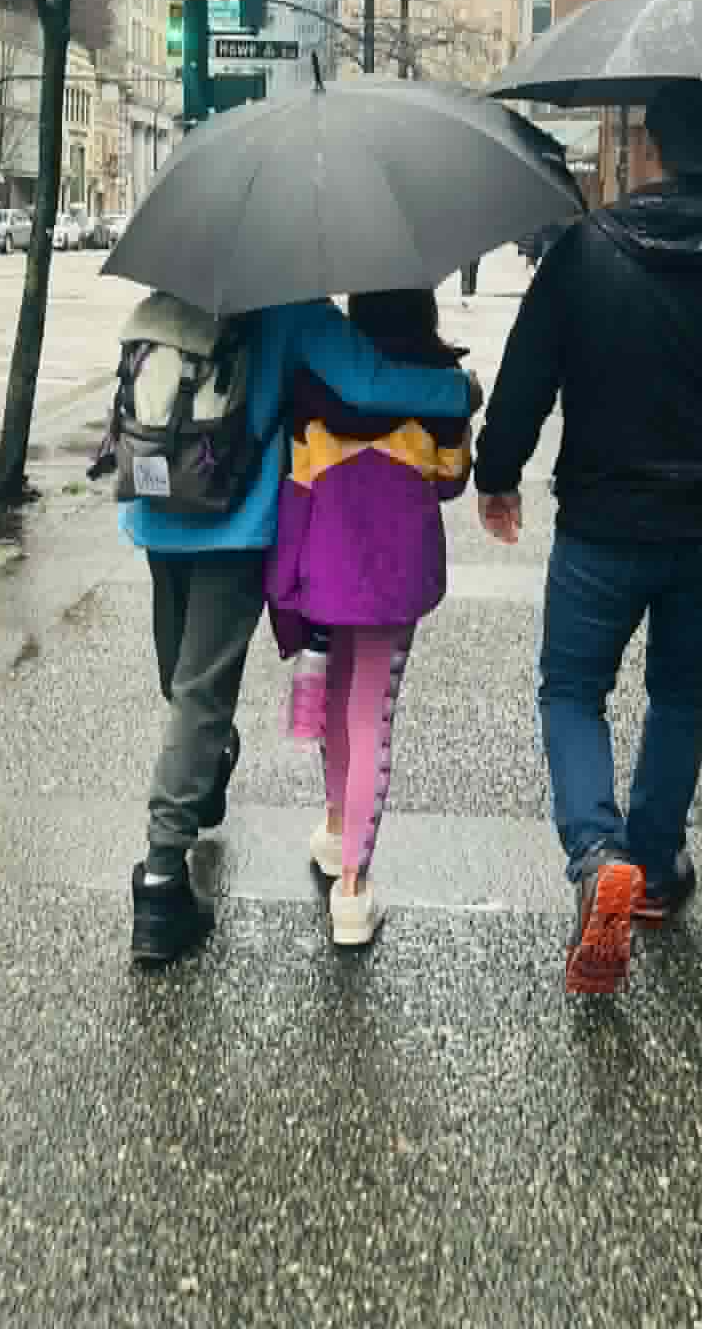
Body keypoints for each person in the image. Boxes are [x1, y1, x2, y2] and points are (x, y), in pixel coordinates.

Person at [473, 80, 702, 995]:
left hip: (604, 523)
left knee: (573, 690)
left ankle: (598, 855)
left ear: (652, 148)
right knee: (680, 692)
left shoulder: (586, 253)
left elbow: (525, 376)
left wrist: (496, 473)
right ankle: (656, 869)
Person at [123, 298, 476, 967]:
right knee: (199, 698)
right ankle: (162, 882)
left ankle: (203, 762)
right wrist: (459, 388)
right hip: (232, 527)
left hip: (157, 510)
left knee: (182, 685)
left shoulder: (169, 289)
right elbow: (369, 383)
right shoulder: (293, 310)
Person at [265, 290, 474, 947]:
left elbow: (295, 486)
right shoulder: (437, 391)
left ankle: (334, 827)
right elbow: (450, 479)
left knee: (333, 707)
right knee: (371, 714)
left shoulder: (313, 390)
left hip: (325, 572)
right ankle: (353, 889)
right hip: (395, 576)